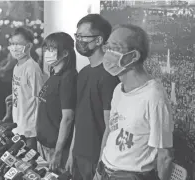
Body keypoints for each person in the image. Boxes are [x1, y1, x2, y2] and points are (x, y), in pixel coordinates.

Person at [95, 24, 174, 180]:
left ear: (133, 56)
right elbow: (111, 130)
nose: (108, 53)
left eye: (115, 48)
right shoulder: (119, 89)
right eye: (107, 47)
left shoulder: (154, 95)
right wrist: (99, 168)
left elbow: (165, 156)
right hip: (105, 170)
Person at [65, 14, 120, 180]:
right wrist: (71, 153)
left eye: (83, 36)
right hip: (78, 156)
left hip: (96, 159)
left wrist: (102, 164)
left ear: (98, 40)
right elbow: (79, 117)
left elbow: (109, 125)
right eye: (77, 35)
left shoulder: (109, 76)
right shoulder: (83, 73)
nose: (79, 40)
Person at [36, 32, 77, 172]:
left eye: (52, 49)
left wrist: (58, 152)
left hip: (56, 148)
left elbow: (68, 118)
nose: (47, 52)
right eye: (46, 48)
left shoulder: (68, 78)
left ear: (65, 53)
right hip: (44, 144)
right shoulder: (54, 74)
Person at [3, 27, 44, 150]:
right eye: (12, 43)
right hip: (18, 126)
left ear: (29, 46)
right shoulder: (17, 67)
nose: (14, 47)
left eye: (18, 44)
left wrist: (36, 129)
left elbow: (40, 99)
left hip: (29, 132)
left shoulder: (32, 68)